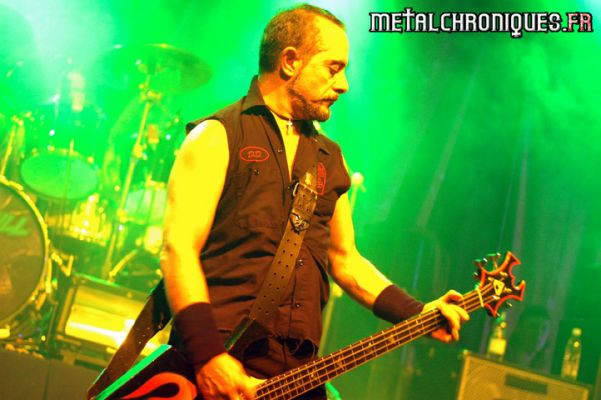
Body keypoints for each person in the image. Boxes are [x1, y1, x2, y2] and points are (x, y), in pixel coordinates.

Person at [161, 4, 469, 400]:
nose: (344, 85)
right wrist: (208, 358)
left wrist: (416, 312)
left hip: (295, 375)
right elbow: (178, 250)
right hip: (217, 373)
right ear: (290, 61)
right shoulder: (217, 137)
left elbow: (345, 259)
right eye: (333, 68)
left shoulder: (329, 159)